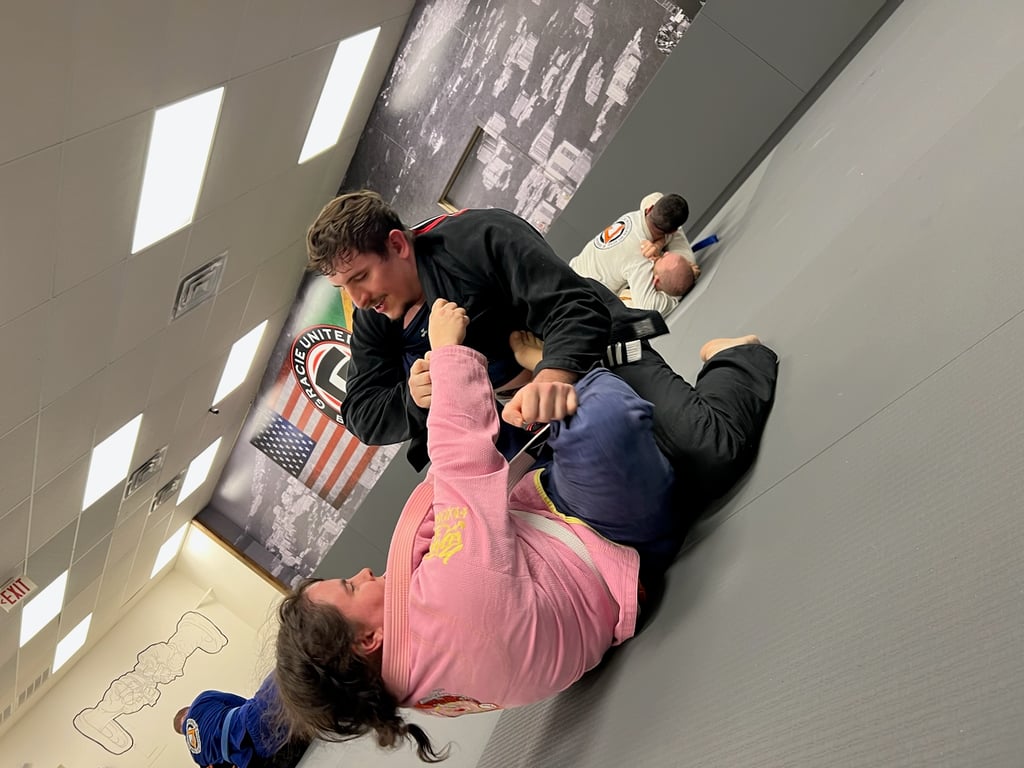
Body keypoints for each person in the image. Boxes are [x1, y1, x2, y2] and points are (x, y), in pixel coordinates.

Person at [273, 299, 761, 760]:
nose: (362, 573)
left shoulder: (414, 686)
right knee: (593, 409)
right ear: (367, 641)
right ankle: (730, 360)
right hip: (606, 543)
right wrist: (447, 354)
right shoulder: (448, 602)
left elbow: (439, 522)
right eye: (351, 587)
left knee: (536, 422)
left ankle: (567, 400)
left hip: (561, 546)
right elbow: (461, 468)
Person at [305, 189, 777, 520]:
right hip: (518, 422)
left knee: (709, 456)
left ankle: (731, 358)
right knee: (639, 510)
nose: (359, 299)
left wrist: (551, 376)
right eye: (344, 287)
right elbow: (362, 414)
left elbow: (575, 307)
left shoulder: (480, 237)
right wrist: (414, 397)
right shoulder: (372, 318)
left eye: (361, 277)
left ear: (396, 244)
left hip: (589, 355)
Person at [569, 192, 701, 316]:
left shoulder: (637, 216)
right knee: (685, 264)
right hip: (584, 303)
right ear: (673, 231)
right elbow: (649, 306)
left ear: (649, 209)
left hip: (571, 273)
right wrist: (677, 293)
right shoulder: (642, 258)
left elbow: (654, 197)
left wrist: (659, 244)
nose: (663, 255)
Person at [173, 675, 303, 768]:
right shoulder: (201, 700)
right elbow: (241, 702)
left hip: (252, 757)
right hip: (250, 723)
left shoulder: (197, 756)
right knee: (284, 675)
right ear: (188, 710)